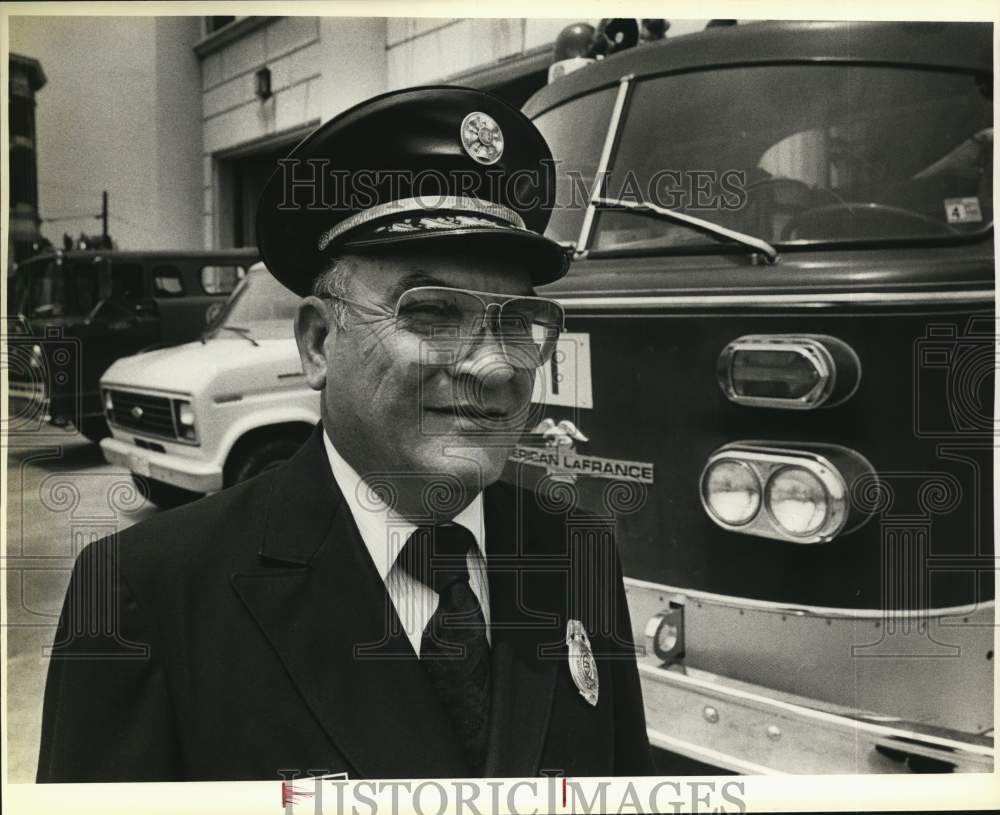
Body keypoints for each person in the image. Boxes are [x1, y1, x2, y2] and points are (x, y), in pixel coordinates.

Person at [36, 86, 654, 782]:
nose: (494, 365)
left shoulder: (577, 550)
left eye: (516, 321)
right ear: (319, 342)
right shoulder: (145, 595)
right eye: (432, 313)